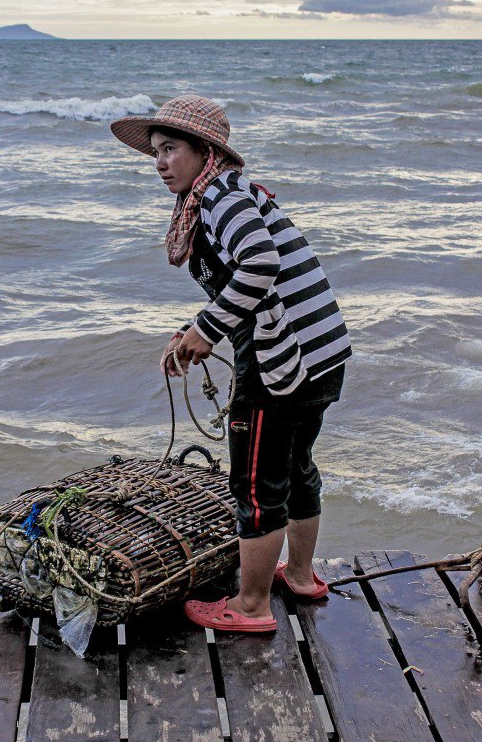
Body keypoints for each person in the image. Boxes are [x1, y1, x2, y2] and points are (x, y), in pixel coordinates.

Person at [110, 95, 351, 633]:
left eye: (171, 149)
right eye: (155, 152)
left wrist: (207, 329)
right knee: (295, 467)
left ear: (205, 150)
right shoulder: (231, 192)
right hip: (321, 349)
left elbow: (260, 262)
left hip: (283, 359)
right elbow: (249, 279)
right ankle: (303, 575)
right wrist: (197, 326)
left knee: (255, 481)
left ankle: (250, 605)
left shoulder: (219, 197)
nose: (160, 162)